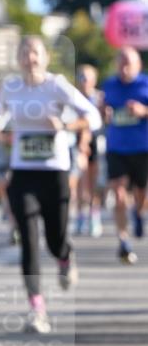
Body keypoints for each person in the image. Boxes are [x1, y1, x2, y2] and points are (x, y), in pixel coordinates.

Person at [0, 35, 101, 334]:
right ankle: (37, 309)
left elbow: (93, 117)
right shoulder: (10, 87)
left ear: (45, 58)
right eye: (24, 53)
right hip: (23, 173)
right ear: (18, 59)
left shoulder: (56, 85)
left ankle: (65, 256)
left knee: (55, 238)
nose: (29, 58)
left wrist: (65, 126)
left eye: (35, 53)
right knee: (29, 241)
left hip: (54, 172)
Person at [100, 47, 148, 264]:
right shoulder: (109, 85)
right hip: (116, 148)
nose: (125, 66)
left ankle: (138, 213)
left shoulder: (145, 84)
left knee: (141, 192)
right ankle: (123, 240)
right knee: (118, 194)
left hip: (142, 148)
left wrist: (142, 111)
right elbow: (100, 113)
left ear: (139, 65)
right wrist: (104, 113)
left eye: (129, 62)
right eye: (121, 62)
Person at [74, 64, 104, 238]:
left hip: (97, 142)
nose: (84, 81)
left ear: (94, 80)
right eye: (81, 77)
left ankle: (94, 215)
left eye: (87, 77)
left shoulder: (100, 98)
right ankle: (79, 216)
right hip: (78, 144)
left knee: (94, 182)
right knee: (79, 180)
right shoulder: (74, 98)